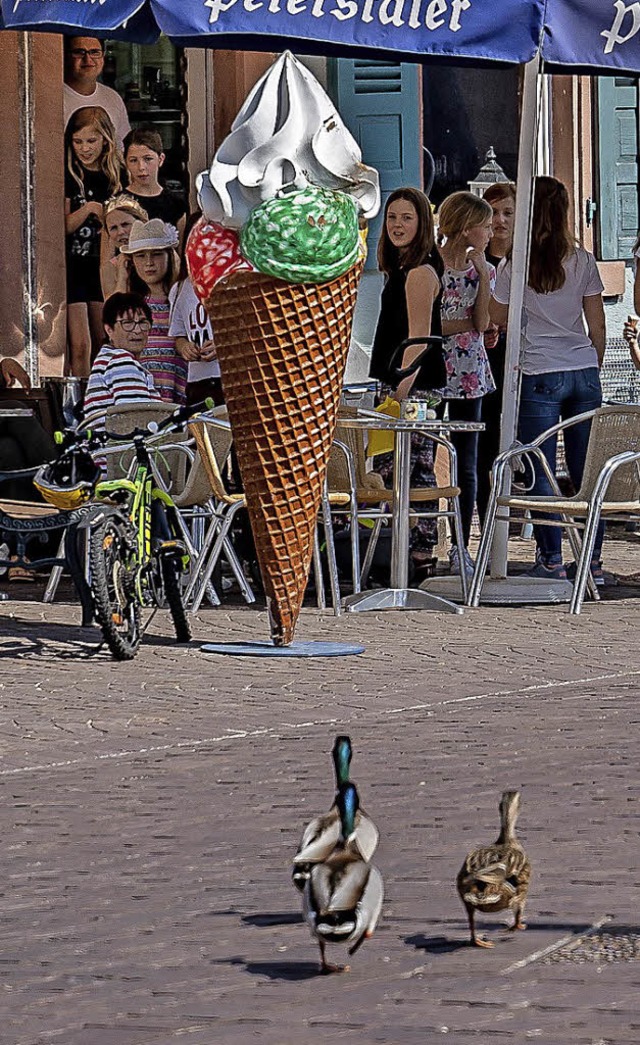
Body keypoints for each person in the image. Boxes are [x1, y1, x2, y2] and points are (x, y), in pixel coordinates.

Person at [491, 175, 607, 582]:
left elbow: (498, 317)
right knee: (586, 469)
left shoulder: (515, 263)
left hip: (539, 370)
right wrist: (592, 365)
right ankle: (591, 558)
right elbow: (597, 323)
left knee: (537, 465)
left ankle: (551, 556)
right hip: (582, 369)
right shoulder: (582, 259)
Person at [368, 187, 444, 580]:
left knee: (413, 472)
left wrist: (399, 392)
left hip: (413, 389)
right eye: (393, 217)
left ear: (422, 224)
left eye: (407, 218)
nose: (397, 225)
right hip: (395, 384)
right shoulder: (397, 270)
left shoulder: (419, 272)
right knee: (392, 470)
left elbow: (419, 340)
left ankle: (419, 552)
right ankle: (400, 550)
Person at [436, 190, 495, 576]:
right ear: (466, 227)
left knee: (468, 461)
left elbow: (482, 322)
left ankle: (462, 544)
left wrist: (486, 276)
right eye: (485, 226)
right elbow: (429, 323)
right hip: (433, 365)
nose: (491, 233)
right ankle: (423, 540)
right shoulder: (432, 264)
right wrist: (461, 327)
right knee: (420, 457)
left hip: (469, 368)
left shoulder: (479, 269)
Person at [65, 107, 126, 377]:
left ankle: (102, 397)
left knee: (104, 339)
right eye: (78, 141)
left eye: (91, 141)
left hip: (104, 264)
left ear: (105, 140)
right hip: (74, 265)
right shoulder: (70, 173)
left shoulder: (116, 175)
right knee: (80, 345)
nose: (84, 148)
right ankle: (81, 404)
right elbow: (63, 225)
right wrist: (89, 208)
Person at [476, 182, 516, 528]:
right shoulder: (477, 260)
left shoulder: (528, 261)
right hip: (483, 360)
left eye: (508, 212)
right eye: (494, 213)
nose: (500, 221)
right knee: (485, 442)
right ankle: (489, 522)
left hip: (523, 359)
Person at [119, 219, 188, 404]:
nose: (149, 262)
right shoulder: (133, 304)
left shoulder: (181, 296)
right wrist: (122, 277)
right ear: (131, 262)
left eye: (156, 254)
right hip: (142, 393)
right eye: (140, 256)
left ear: (169, 256)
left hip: (179, 389)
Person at [83, 292, 161, 434]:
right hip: (122, 453)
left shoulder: (107, 358)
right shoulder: (120, 361)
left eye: (143, 322)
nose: (137, 330)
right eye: (128, 323)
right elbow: (139, 419)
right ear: (109, 330)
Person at [168, 213, 224, 407]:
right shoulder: (180, 289)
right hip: (196, 381)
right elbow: (179, 335)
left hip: (228, 376)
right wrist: (184, 347)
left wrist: (223, 345)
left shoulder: (233, 280)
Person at [122, 127, 187, 246]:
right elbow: (107, 260)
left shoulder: (176, 205)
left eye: (148, 159)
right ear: (126, 162)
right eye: (133, 160)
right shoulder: (118, 203)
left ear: (161, 159)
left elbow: (179, 255)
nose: (141, 167)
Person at [63, 36, 130, 150]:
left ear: (103, 56)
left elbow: (124, 147)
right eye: (79, 52)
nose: (88, 59)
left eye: (94, 52)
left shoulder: (112, 97)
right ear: (66, 56)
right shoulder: (54, 97)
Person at [100, 194, 149, 299]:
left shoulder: (161, 254)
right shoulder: (110, 266)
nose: (120, 232)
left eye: (125, 224)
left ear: (142, 222)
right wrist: (122, 278)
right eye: (113, 228)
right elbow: (112, 310)